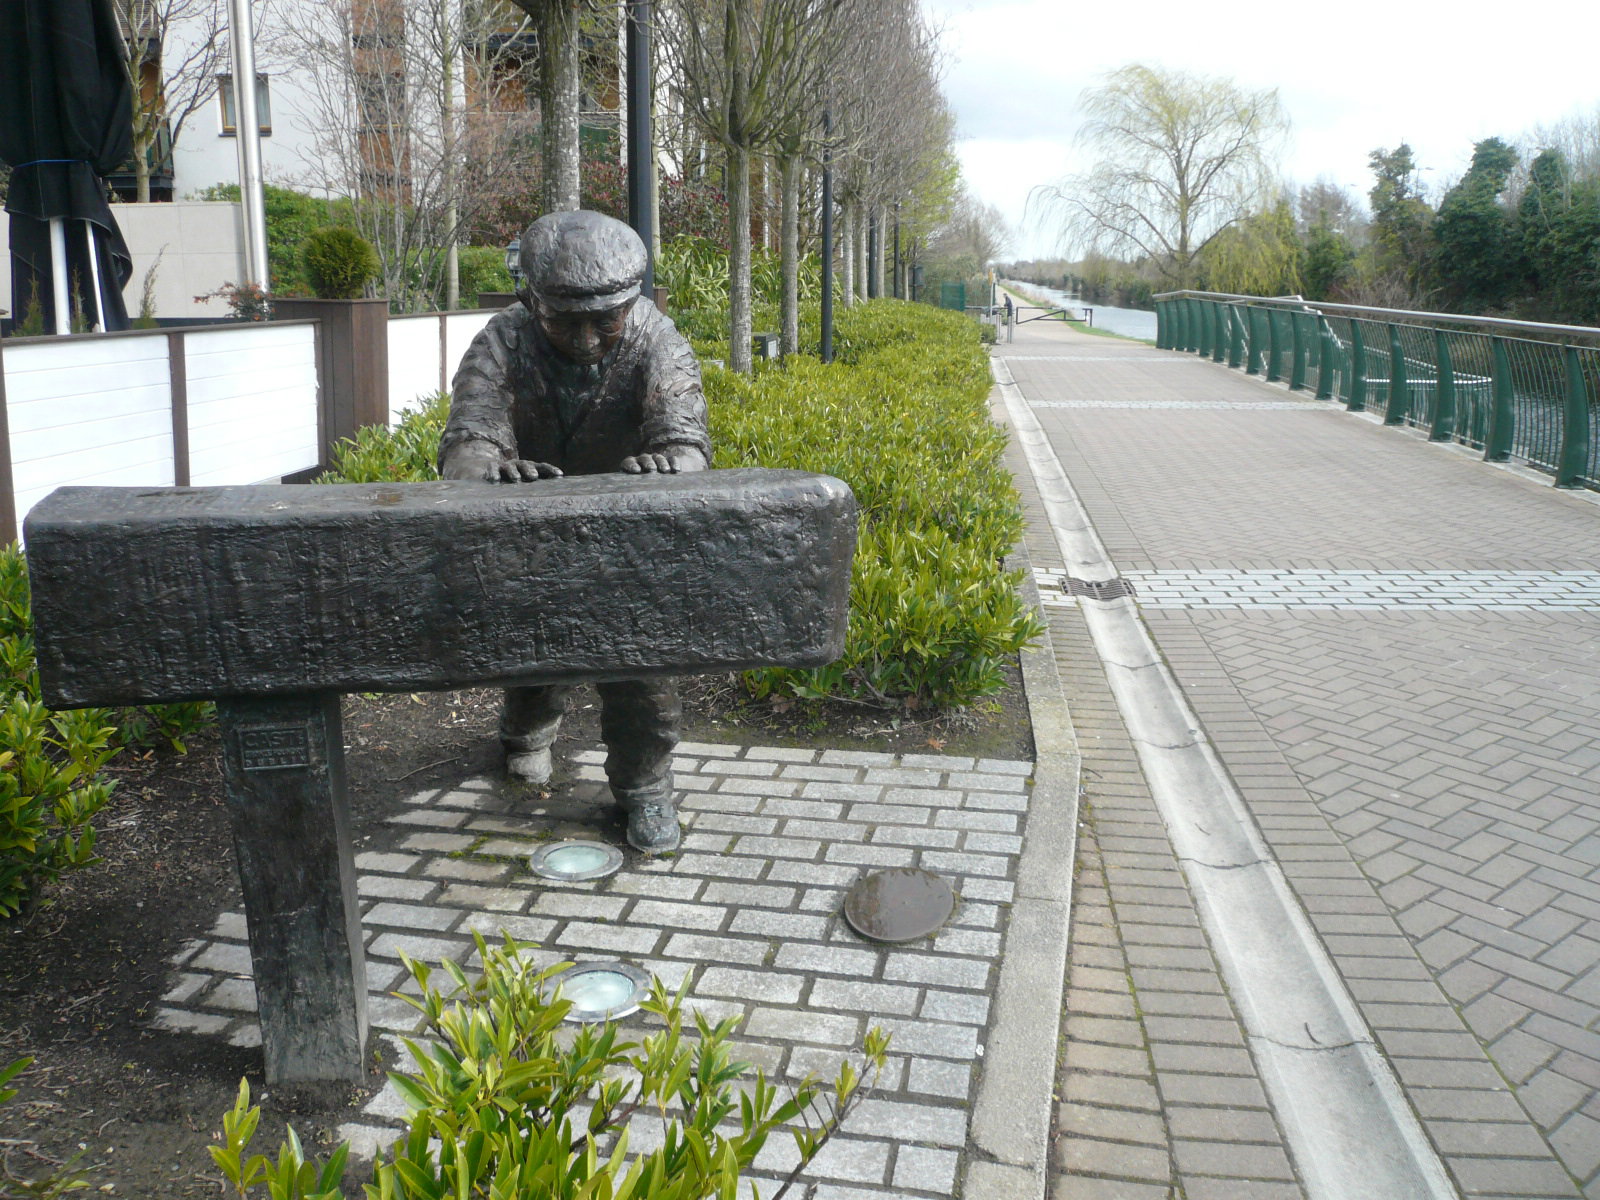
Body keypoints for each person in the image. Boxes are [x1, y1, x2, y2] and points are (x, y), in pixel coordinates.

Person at [438, 210, 710, 853]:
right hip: (531, 527)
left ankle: (646, 789)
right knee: (532, 653)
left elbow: (688, 443)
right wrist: (493, 468)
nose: (588, 340)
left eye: (604, 320)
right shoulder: (501, 341)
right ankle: (526, 736)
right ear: (531, 300)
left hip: (628, 542)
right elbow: (467, 440)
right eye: (566, 321)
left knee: (643, 677)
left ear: (632, 300)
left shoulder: (657, 339)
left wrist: (667, 463)